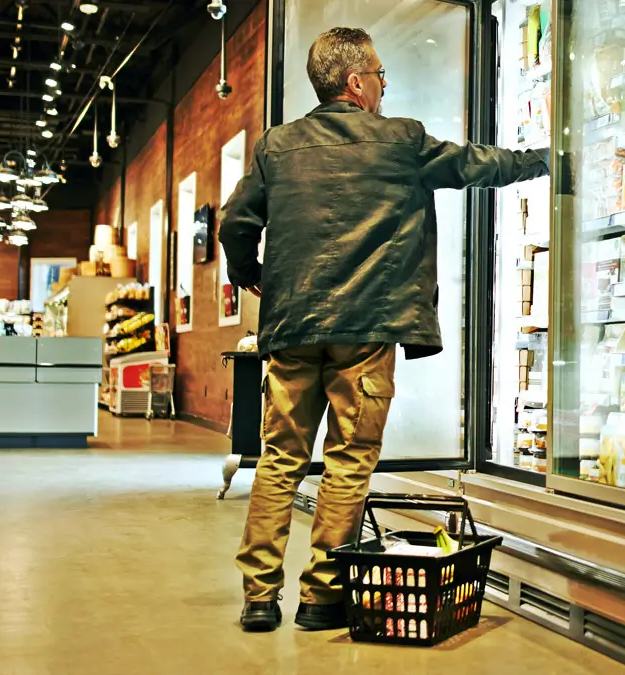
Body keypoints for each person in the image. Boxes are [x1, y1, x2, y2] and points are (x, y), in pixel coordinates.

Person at [218, 27, 549, 633]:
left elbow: (235, 222)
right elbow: (480, 165)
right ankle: (321, 598)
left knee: (278, 459)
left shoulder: (276, 147)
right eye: (379, 73)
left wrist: (251, 274)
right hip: (366, 332)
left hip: (292, 328)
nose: (384, 82)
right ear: (355, 83)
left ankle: (259, 598)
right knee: (349, 461)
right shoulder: (401, 141)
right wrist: (547, 161)